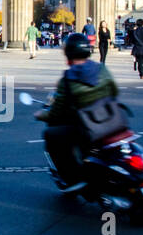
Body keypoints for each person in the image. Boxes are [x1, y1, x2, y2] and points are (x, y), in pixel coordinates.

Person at [35, 31, 121, 191]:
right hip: (113, 119)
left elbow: (57, 112)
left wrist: (41, 115)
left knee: (51, 135)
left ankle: (71, 178)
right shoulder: (102, 69)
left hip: (88, 126)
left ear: (68, 54)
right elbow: (114, 92)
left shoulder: (68, 78)